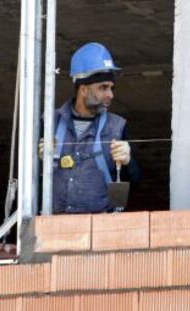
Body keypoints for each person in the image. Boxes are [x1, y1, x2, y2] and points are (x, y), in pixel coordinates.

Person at [40, 42, 140, 214]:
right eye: (103, 88)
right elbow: (26, 184)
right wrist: (39, 160)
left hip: (100, 230)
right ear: (84, 89)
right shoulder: (50, 123)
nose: (111, 95)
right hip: (53, 226)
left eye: (111, 88)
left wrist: (128, 162)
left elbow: (135, 181)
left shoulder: (117, 126)